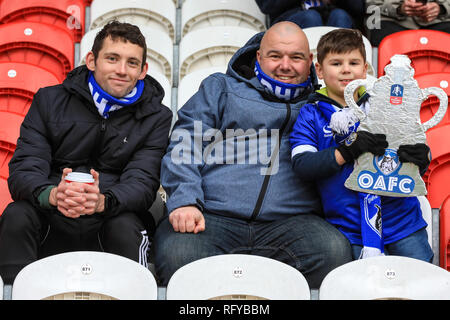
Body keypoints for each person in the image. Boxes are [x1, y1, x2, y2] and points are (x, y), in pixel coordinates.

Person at [154, 21, 352, 289]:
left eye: (295, 58)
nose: (285, 65)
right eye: (275, 56)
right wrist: (185, 200)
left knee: (334, 251)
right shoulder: (221, 88)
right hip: (211, 215)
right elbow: (183, 143)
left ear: (310, 63)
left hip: (292, 223)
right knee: (179, 255)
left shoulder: (324, 105)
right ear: (258, 56)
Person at [0, 21, 173, 284]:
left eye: (132, 63)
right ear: (91, 60)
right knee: (16, 216)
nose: (121, 70)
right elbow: (25, 166)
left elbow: (143, 180)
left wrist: (103, 201)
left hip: (111, 214)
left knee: (127, 228)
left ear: (143, 70)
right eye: (112, 59)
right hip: (53, 212)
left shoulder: (157, 116)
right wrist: (53, 195)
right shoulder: (49, 100)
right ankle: (14, 290)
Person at [289, 28, 434, 261]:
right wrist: (347, 151)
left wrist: (419, 157)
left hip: (403, 222)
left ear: (365, 69)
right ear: (319, 70)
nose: (346, 69)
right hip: (349, 228)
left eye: (354, 62)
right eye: (336, 63)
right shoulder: (310, 114)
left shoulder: (386, 103)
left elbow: (415, 156)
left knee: (419, 288)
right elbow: (303, 165)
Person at [367, 0, 450, 47]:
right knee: (379, 32)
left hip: (441, 21)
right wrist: (398, 9)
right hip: (391, 21)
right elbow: (371, 6)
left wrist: (442, 9)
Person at [255, 0, 358, 29]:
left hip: (335, 15)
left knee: (340, 16)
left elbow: (359, 7)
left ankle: (339, 67)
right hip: (294, 17)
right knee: (311, 17)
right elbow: (267, 5)